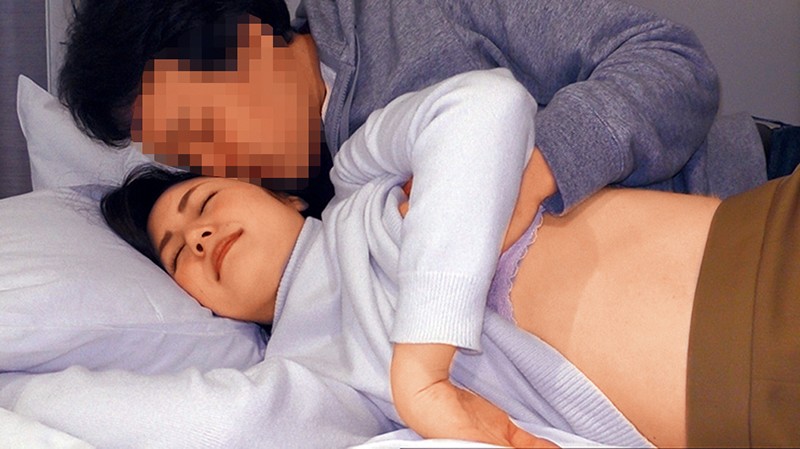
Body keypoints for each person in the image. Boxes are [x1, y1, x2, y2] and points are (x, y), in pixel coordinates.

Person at [102, 70, 798, 448]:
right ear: (202, 306)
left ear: (279, 196)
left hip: (766, 232)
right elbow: (220, 424)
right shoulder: (309, 375)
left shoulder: (359, 179)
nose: (198, 237)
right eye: (178, 253)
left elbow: (484, 104)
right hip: (744, 397)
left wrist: (421, 369)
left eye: (202, 201)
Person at [59, 0, 768, 222]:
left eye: (203, 131)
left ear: (244, 38)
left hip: (748, 198)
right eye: (189, 160)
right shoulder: (286, 214)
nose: (217, 168)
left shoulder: (413, 15)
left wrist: (521, 178)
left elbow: (668, 61)